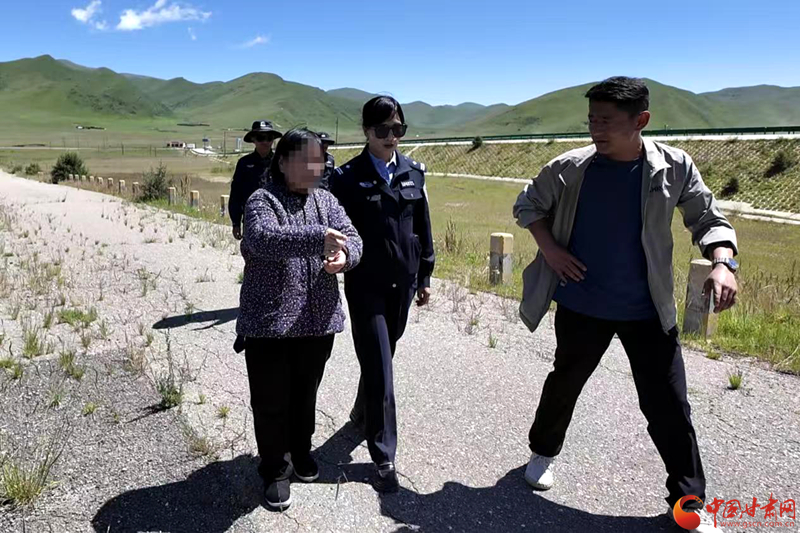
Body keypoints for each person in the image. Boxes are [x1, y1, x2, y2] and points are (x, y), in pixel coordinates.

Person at [513, 77, 738, 533]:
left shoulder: (673, 167)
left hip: (647, 309)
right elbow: (528, 205)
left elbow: (707, 218)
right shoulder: (570, 168)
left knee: (669, 405)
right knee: (565, 383)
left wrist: (723, 262)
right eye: (592, 119)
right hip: (582, 302)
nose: (596, 129)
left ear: (642, 120)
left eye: (607, 121)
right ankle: (542, 452)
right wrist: (550, 250)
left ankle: (688, 503)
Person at [236, 128, 363, 510]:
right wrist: (319, 239)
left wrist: (345, 257)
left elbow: (353, 237)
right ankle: (274, 468)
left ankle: (300, 449)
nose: (316, 167)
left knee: (305, 394)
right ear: (283, 162)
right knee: (271, 399)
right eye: (307, 160)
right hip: (269, 324)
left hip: (318, 323)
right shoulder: (262, 200)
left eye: (319, 160)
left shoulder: (326, 200)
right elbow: (262, 239)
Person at [331, 96, 435, 493]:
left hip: (403, 284)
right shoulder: (346, 177)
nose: (391, 137)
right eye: (382, 130)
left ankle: (362, 410)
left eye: (398, 129)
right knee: (380, 367)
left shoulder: (414, 172)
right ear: (366, 131)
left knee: (383, 356)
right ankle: (383, 454)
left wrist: (425, 275)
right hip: (366, 284)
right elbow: (336, 228)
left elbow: (422, 226)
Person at [229, 120, 283, 241]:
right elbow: (236, 194)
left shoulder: (280, 163)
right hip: (251, 218)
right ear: (253, 140)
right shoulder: (244, 163)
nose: (265, 142)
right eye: (260, 138)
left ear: (273, 140)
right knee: (251, 251)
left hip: (277, 219)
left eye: (269, 138)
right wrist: (235, 222)